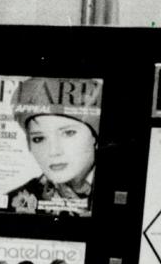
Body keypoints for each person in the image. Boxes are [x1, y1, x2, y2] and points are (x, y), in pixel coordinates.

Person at [5, 78, 98, 215]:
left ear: (94, 137)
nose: (53, 151)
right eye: (39, 138)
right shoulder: (12, 203)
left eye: (68, 133)